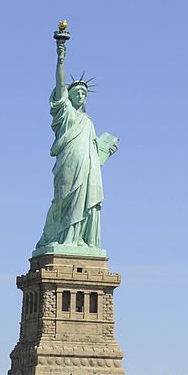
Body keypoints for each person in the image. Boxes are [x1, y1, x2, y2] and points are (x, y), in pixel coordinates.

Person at [35, 35, 118, 252]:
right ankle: (64, 238)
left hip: (89, 167)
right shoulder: (66, 113)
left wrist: (105, 151)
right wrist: (60, 57)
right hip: (69, 163)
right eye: (77, 92)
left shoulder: (89, 122)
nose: (81, 95)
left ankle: (80, 238)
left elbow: (94, 151)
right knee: (64, 200)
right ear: (69, 96)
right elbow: (60, 85)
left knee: (87, 200)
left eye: (84, 93)